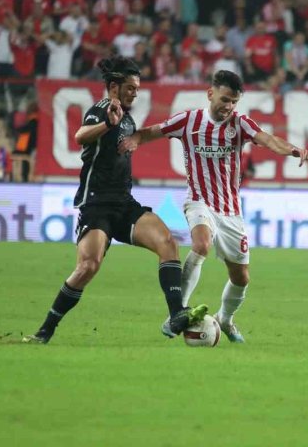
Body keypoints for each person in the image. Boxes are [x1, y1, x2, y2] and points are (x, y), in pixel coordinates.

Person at [23, 58, 208, 344]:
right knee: (88, 267)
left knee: (167, 243)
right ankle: (46, 329)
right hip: (96, 203)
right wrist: (107, 125)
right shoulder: (102, 110)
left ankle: (176, 314)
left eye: (137, 87)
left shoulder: (128, 118)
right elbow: (80, 136)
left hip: (124, 203)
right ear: (113, 87)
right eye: (130, 88)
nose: (135, 92)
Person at [120, 70, 308, 343]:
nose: (229, 106)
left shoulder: (240, 124)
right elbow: (155, 131)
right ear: (211, 94)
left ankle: (226, 319)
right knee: (201, 244)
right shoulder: (189, 121)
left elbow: (268, 140)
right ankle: (177, 312)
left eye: (234, 101)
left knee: (241, 277)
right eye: (225, 99)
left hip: (230, 210)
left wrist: (293, 149)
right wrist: (136, 139)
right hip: (198, 200)